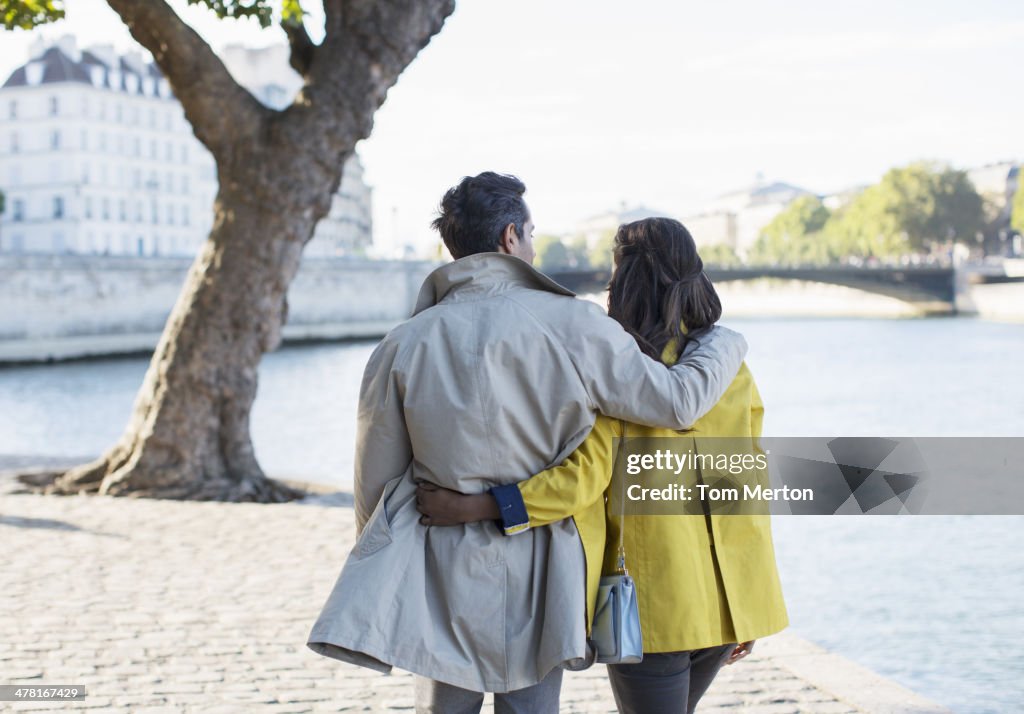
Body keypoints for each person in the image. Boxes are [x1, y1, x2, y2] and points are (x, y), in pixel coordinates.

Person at [307, 174, 750, 714]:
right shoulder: (576, 324)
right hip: (545, 563)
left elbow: (373, 480)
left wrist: (381, 565)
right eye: (533, 232)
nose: (535, 245)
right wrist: (725, 341)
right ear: (512, 236)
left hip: (439, 553)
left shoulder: (403, 342)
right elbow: (675, 404)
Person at [416, 217, 789, 714]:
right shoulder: (729, 369)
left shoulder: (617, 369)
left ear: (625, 282)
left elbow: (582, 478)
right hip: (727, 605)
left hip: (652, 611)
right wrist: (743, 606)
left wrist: (483, 505)